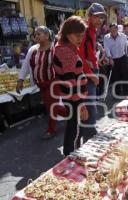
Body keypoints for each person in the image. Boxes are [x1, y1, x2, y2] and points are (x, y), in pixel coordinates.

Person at [17, 26, 67, 140]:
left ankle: (51, 130)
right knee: (51, 106)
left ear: (47, 35)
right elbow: (26, 65)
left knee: (51, 107)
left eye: (39, 34)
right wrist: (20, 80)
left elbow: (63, 64)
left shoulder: (55, 48)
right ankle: (74, 115)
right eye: (35, 34)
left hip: (53, 82)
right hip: (41, 84)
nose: (36, 36)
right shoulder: (33, 49)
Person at [53, 16, 89, 156]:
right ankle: (69, 155)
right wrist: (81, 105)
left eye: (82, 35)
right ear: (68, 34)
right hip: (73, 97)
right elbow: (70, 81)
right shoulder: (65, 50)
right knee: (73, 126)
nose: (80, 38)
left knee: (73, 125)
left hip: (72, 96)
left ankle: (71, 152)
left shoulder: (67, 47)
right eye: (78, 35)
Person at [79, 3, 106, 136]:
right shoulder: (83, 30)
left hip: (91, 72)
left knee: (90, 108)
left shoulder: (93, 31)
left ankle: (87, 138)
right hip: (86, 75)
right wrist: (91, 74)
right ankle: (90, 139)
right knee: (90, 109)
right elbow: (80, 57)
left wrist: (96, 62)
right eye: (96, 17)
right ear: (89, 16)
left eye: (102, 18)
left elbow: (88, 53)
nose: (99, 20)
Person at [104, 23, 128, 97]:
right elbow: (107, 48)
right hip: (113, 59)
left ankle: (126, 92)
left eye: (115, 29)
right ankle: (117, 93)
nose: (113, 31)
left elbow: (126, 47)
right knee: (116, 77)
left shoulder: (123, 36)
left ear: (117, 29)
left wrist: (127, 57)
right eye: (111, 30)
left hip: (123, 57)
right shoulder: (106, 37)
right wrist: (110, 58)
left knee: (125, 75)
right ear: (109, 30)